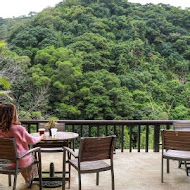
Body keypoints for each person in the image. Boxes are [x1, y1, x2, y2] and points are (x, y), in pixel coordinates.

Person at [0, 102, 45, 186]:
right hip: (17, 162)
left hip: (2, 163)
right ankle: (29, 179)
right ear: (13, 114)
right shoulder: (18, 129)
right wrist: (41, 137)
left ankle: (28, 179)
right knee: (32, 155)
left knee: (22, 156)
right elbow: (31, 141)